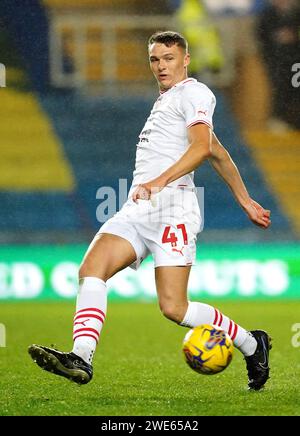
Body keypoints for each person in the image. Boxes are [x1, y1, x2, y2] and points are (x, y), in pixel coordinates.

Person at [28, 31, 272, 391]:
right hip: (138, 209)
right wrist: (245, 199)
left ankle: (253, 344)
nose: (161, 66)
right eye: (155, 59)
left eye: (169, 58)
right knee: (92, 268)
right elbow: (217, 150)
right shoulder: (166, 101)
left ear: (185, 59)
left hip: (174, 209)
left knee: (175, 308)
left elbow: (203, 147)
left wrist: (160, 181)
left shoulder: (194, 92)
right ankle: (82, 356)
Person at [256, 0, 300, 130]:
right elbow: (260, 36)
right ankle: (280, 120)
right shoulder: (268, 14)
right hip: (276, 61)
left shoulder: (296, 13)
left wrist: (294, 36)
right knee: (279, 89)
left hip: (296, 61)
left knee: (295, 89)